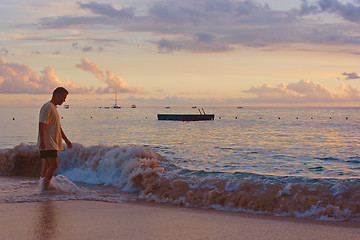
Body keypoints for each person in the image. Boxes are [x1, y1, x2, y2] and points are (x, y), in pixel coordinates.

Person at [37, 87, 72, 191]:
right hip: (48, 142)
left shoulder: (53, 108)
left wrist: (66, 140)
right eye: (63, 98)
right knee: (54, 164)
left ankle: (42, 187)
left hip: (49, 142)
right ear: (57, 96)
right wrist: (43, 141)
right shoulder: (48, 106)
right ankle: (44, 187)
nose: (64, 100)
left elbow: (58, 127)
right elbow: (41, 124)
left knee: (47, 165)